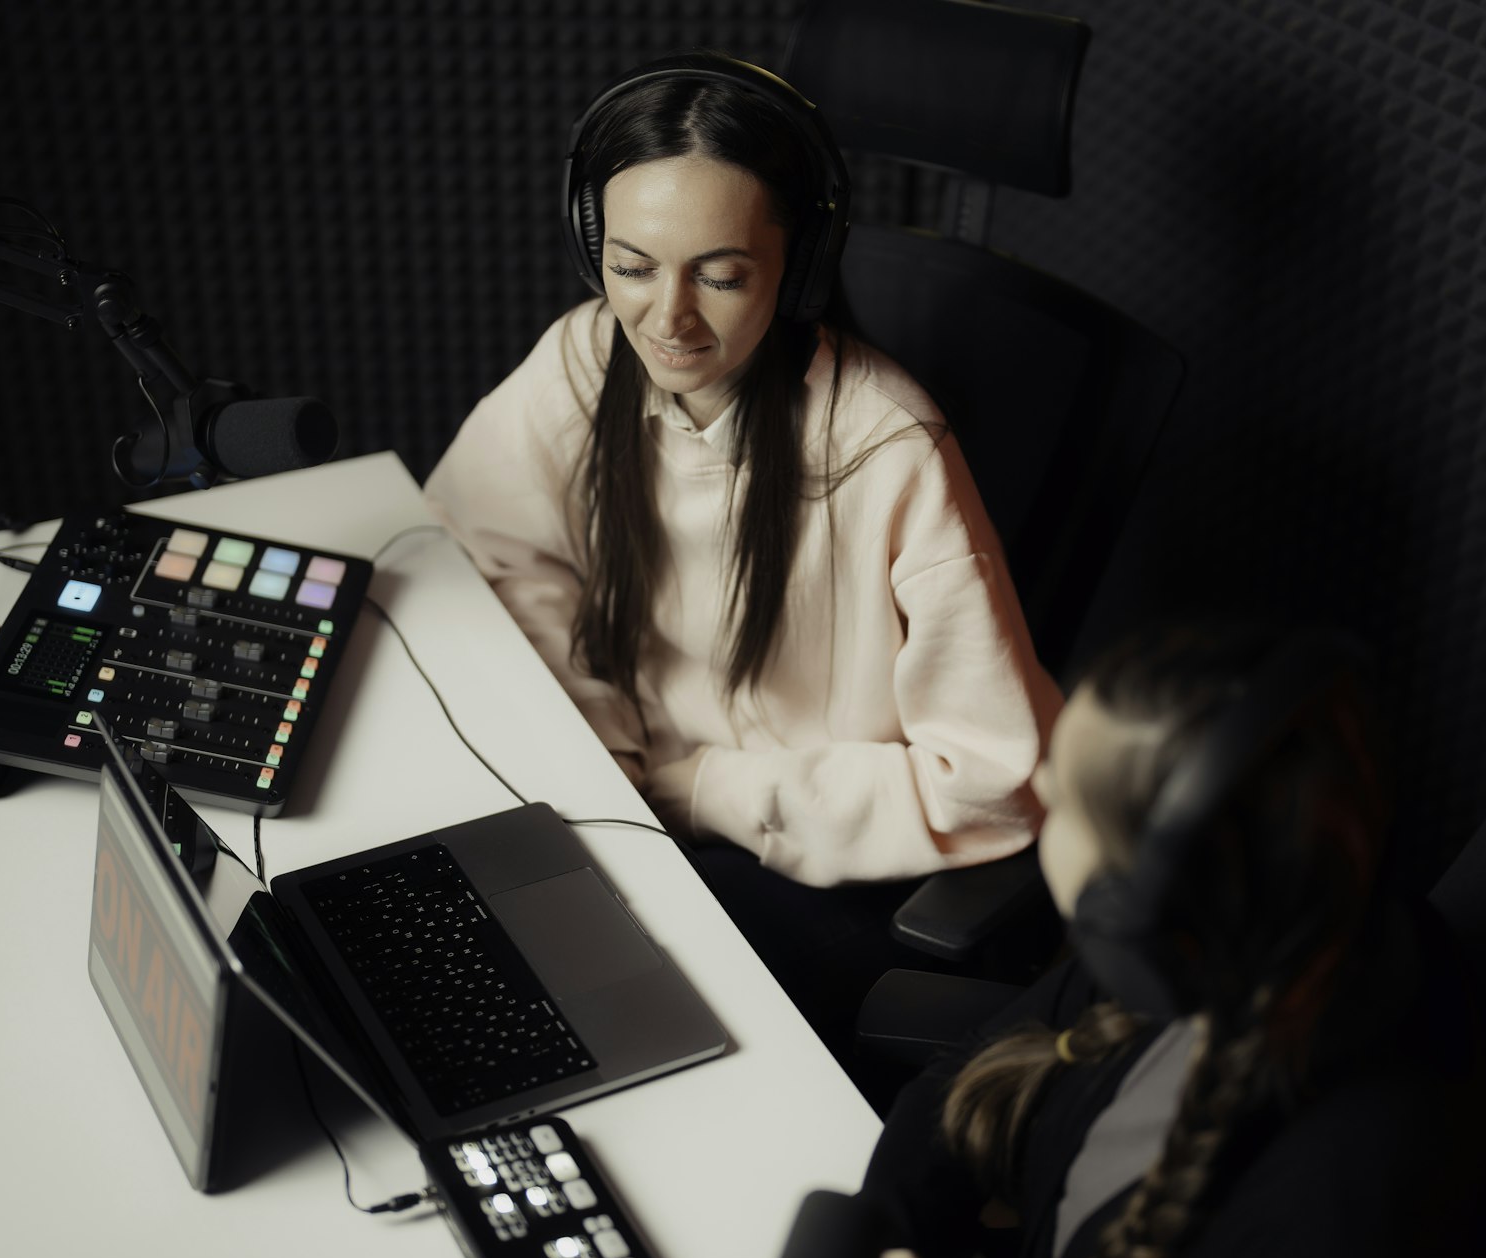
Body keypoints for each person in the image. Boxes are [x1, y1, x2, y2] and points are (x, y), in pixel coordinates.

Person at [423, 54, 1060, 1047]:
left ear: (797, 265)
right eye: (631, 266)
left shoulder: (886, 449)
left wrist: (701, 789)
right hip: (628, 809)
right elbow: (486, 559)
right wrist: (603, 752)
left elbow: (997, 778)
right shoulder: (586, 355)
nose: (664, 320)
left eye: (718, 275)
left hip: (818, 866)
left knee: (584, 1030)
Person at [856, 625, 1486, 1258]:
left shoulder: (1331, 1232)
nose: (1036, 784)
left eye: (1063, 798)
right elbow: (958, 1084)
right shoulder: (1255, 926)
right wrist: (894, 1238)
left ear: (1134, 908)